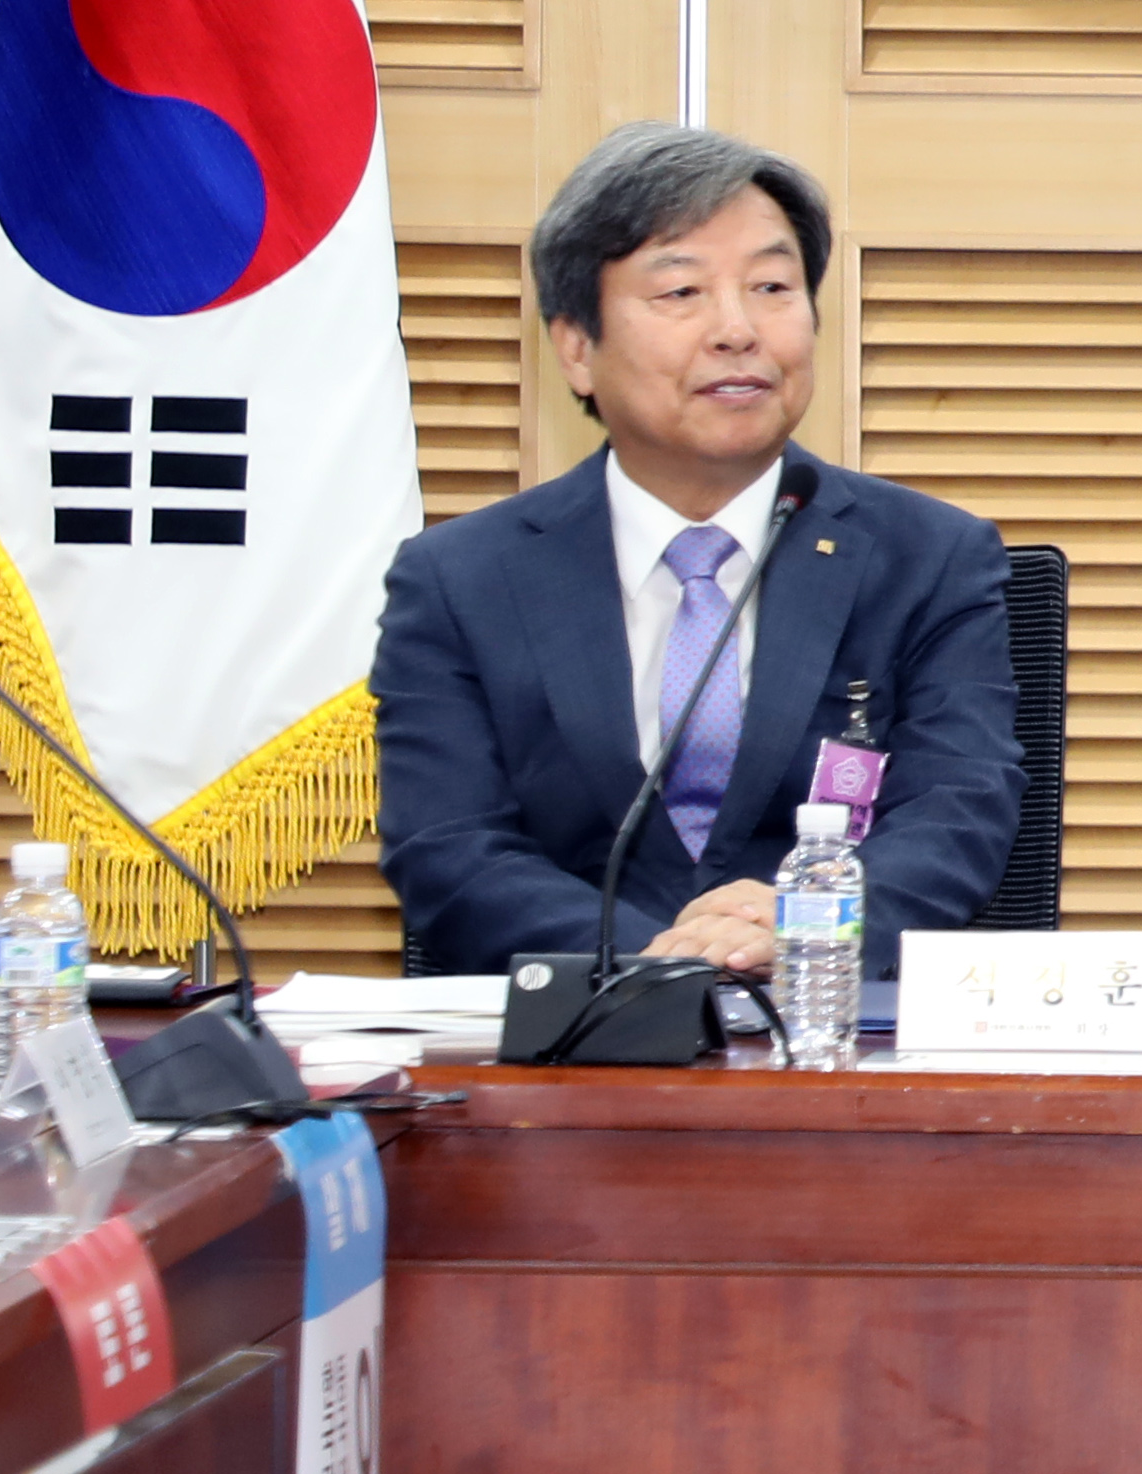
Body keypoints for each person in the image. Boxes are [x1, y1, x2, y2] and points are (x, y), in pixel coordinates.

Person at [373, 124, 1023, 981]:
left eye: (772, 286)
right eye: (681, 290)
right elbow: (447, 843)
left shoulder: (930, 558)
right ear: (576, 347)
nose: (737, 329)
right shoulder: (459, 578)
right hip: (578, 1028)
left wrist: (797, 927)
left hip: (828, 1022)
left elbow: (959, 809)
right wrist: (654, 965)